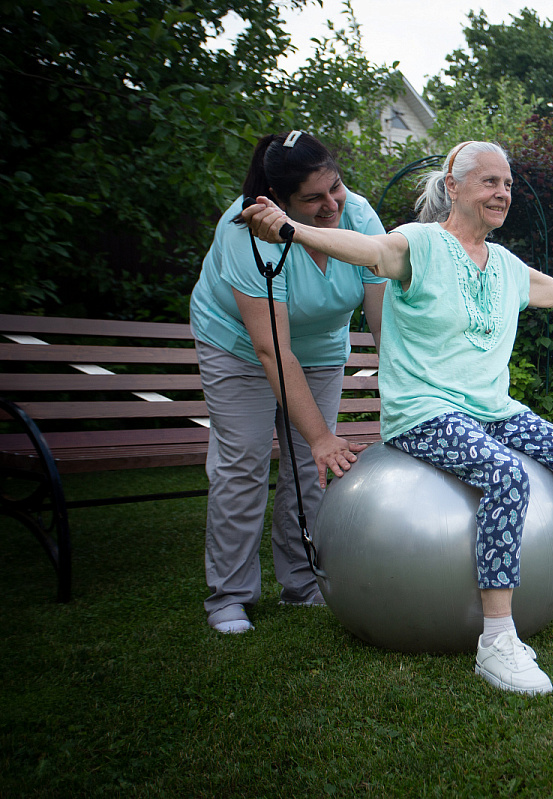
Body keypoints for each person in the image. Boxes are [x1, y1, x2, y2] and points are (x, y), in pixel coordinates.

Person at [242, 140, 553, 694]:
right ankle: (496, 640)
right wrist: (292, 230)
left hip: (492, 410)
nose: (502, 193)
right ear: (454, 186)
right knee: (505, 476)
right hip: (425, 412)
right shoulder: (418, 245)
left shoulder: (506, 267)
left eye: (508, 184)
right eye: (489, 181)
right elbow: (365, 250)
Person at [190, 131, 387, 634]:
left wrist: (408, 396)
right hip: (237, 347)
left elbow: (386, 324)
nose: (331, 205)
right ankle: (229, 596)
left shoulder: (359, 216)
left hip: (320, 349)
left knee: (309, 470)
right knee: (244, 462)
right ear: (277, 201)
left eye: (335, 188)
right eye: (313, 199)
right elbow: (270, 349)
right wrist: (321, 436)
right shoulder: (243, 233)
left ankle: (302, 583)